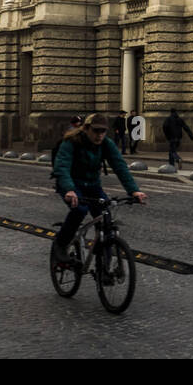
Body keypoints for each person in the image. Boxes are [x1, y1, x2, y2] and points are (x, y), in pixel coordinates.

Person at [50, 113, 146, 269]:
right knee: (79, 209)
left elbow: (120, 166)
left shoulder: (106, 143)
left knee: (105, 216)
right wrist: (69, 190)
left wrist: (134, 191)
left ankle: (105, 267)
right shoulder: (71, 142)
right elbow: (62, 167)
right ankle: (60, 245)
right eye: (96, 131)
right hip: (71, 185)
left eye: (103, 131)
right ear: (86, 129)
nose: (99, 135)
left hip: (92, 185)